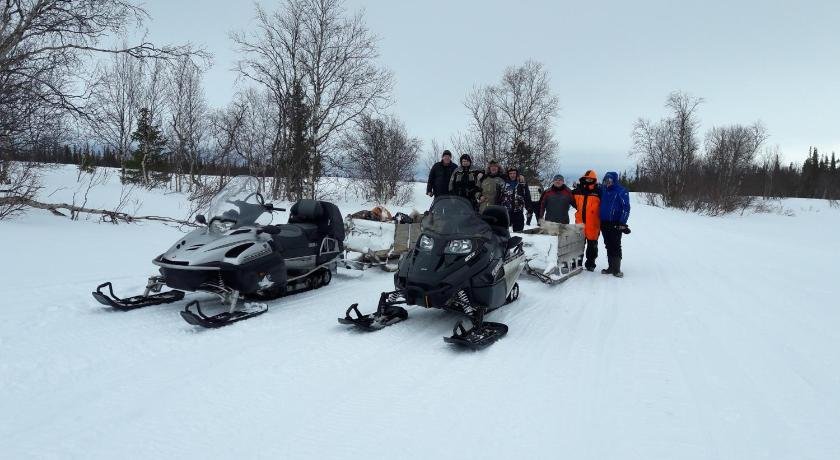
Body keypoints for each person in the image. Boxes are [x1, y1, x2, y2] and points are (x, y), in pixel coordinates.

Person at [599, 171, 631, 277]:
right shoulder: (603, 190)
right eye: (606, 180)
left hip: (615, 222)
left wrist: (622, 222)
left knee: (615, 245)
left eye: (610, 180)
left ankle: (616, 269)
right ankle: (610, 267)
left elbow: (626, 207)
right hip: (604, 222)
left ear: (614, 181)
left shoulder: (621, 191)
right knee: (608, 244)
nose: (607, 182)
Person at [572, 170, 601, 271]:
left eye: (590, 179)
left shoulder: (598, 192)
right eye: (586, 178)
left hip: (593, 224)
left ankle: (590, 264)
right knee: (578, 245)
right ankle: (577, 263)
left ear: (594, 180)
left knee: (592, 246)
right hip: (579, 223)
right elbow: (567, 197)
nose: (588, 180)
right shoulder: (577, 191)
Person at [501, 167, 528, 232]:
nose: (512, 175)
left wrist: (529, 207)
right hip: (506, 211)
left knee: (518, 232)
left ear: (517, 174)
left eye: (514, 173)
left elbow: (527, 195)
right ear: (508, 174)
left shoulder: (522, 183)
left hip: (518, 211)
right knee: (504, 231)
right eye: (510, 173)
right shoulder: (504, 183)